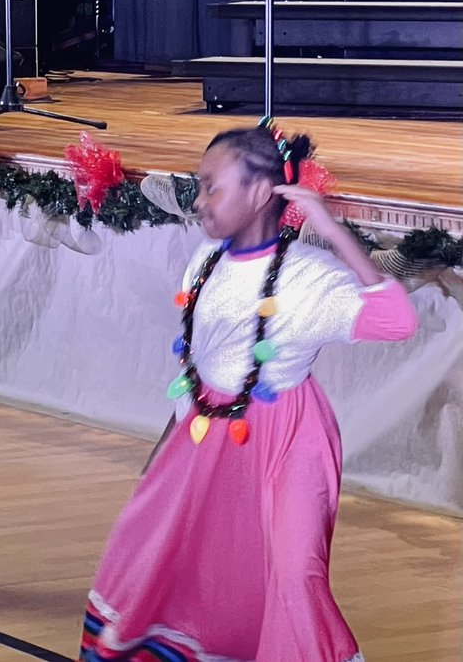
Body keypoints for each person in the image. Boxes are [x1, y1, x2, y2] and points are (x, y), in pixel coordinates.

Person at [80, 122, 418, 661]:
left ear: (261, 193)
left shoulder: (308, 276)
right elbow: (198, 365)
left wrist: (332, 232)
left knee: (293, 572)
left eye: (212, 186)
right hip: (208, 434)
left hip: (287, 440)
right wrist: (166, 447)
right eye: (199, 185)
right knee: (158, 550)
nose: (199, 201)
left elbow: (397, 321)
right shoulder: (204, 262)